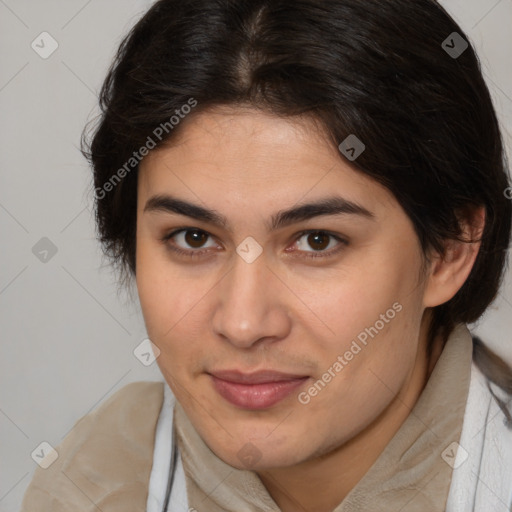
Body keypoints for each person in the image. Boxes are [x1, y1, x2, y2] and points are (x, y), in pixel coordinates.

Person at [21, 0, 512, 510]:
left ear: (451, 250)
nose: (243, 323)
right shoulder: (93, 482)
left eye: (317, 241)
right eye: (193, 238)